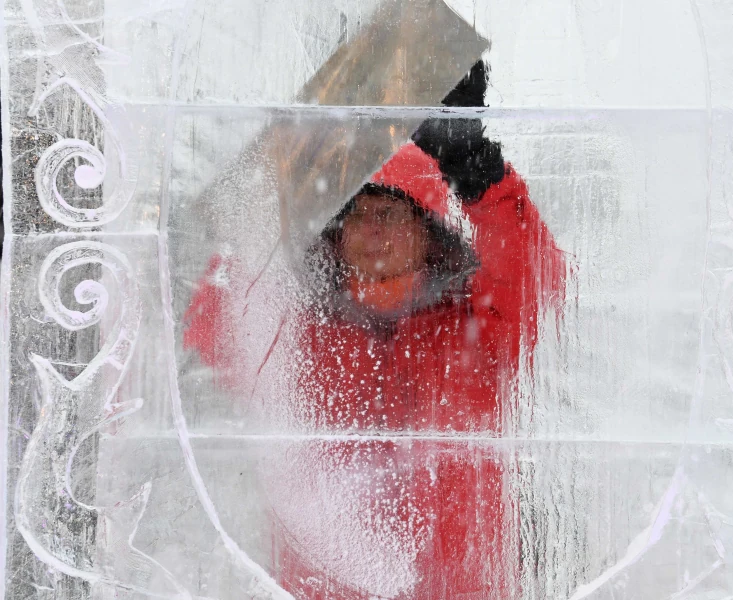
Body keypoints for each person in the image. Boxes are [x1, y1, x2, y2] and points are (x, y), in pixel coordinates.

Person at [183, 64, 565, 599]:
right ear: (333, 236)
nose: (372, 230)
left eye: (390, 210)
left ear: (427, 230)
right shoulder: (300, 331)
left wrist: (479, 172)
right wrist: (269, 197)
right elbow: (215, 331)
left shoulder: (475, 325)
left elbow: (533, 277)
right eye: (356, 214)